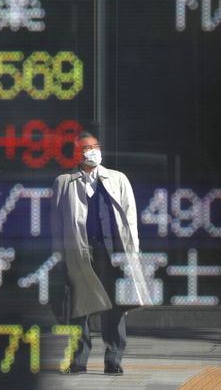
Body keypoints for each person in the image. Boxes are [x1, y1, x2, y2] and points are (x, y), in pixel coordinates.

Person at [50, 131, 150, 375]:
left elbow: (130, 217)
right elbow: (56, 223)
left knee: (114, 306)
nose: (92, 151)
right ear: (78, 153)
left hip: (111, 250)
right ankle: (79, 359)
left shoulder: (117, 179)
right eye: (87, 147)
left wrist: (133, 252)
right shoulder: (64, 182)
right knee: (79, 306)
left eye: (96, 146)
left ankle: (113, 358)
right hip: (79, 251)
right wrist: (59, 255)